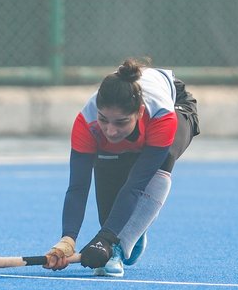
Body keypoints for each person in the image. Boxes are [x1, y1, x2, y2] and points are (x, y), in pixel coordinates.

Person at [44, 57, 200, 277]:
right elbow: (77, 187)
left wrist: (107, 240)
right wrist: (67, 239)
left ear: (138, 112)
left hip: (177, 104)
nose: (111, 131)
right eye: (103, 119)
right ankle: (130, 230)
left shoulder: (162, 117)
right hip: (138, 119)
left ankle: (119, 247)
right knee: (109, 214)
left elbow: (136, 185)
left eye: (121, 122)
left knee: (164, 160)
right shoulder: (86, 123)